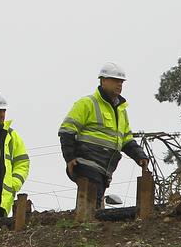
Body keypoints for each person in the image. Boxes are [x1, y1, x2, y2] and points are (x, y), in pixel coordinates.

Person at [58, 62, 149, 207]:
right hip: (87, 163)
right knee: (92, 202)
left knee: (95, 204)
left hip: (105, 168)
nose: (119, 85)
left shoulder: (121, 111)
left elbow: (126, 139)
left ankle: (87, 225)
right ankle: (85, 227)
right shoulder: (87, 103)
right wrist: (69, 157)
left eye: (121, 82)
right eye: (115, 81)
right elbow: (67, 130)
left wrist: (139, 156)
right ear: (103, 80)